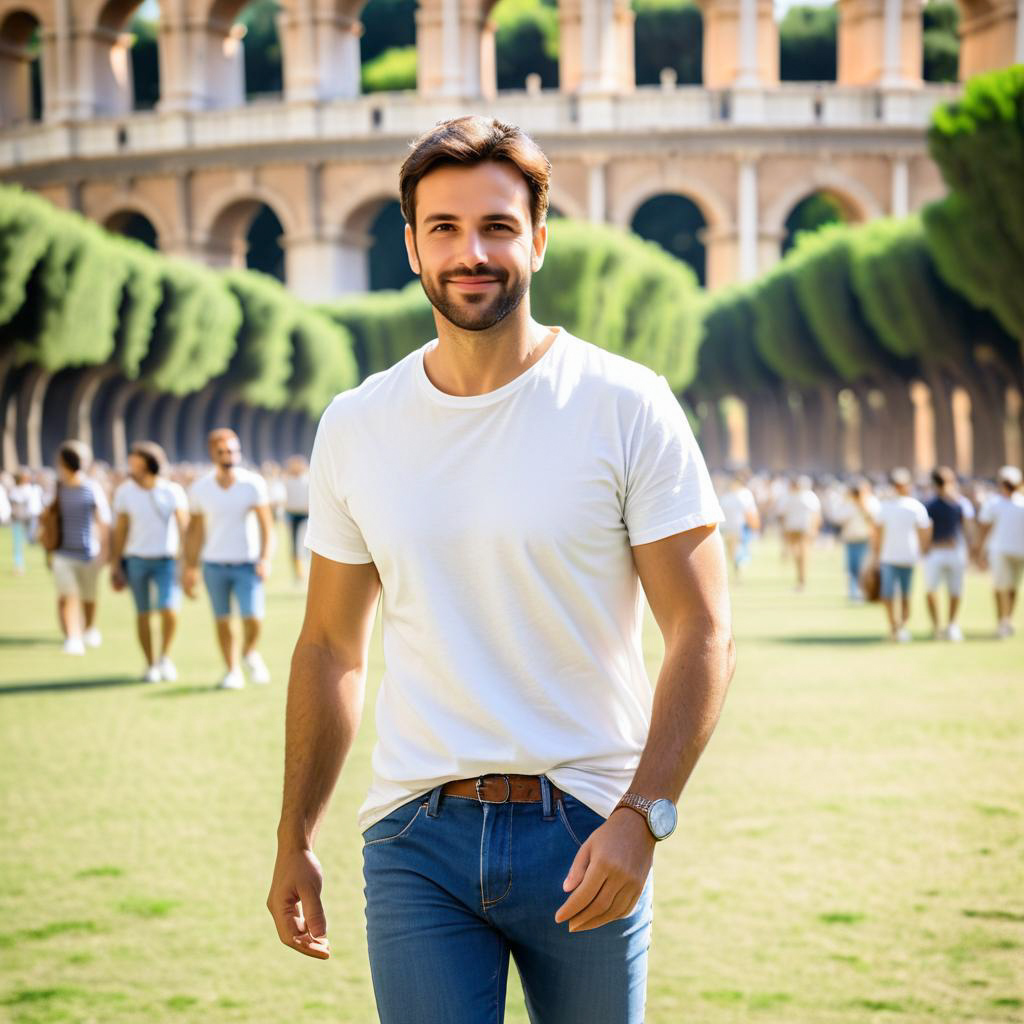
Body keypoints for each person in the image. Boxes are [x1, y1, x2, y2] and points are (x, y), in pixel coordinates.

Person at [266, 116, 734, 1024]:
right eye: (442, 228)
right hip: (414, 838)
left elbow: (703, 629)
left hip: (587, 825)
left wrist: (645, 816)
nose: (470, 251)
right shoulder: (356, 426)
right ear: (409, 245)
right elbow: (329, 647)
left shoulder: (626, 404)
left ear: (539, 240)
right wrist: (295, 836)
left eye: (497, 227)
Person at [184, 428, 274, 689]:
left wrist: (265, 558)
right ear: (212, 453)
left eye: (233, 451)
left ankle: (249, 652)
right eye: (223, 451)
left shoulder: (252, 484)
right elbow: (196, 531)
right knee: (222, 620)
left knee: (253, 617)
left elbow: (266, 527)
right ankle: (232, 670)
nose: (229, 456)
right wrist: (190, 566)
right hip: (214, 565)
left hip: (247, 563)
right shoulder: (200, 489)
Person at [109, 442, 189, 682]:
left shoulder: (172, 491)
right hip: (136, 560)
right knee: (142, 613)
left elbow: (183, 528)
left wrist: (188, 561)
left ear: (148, 463)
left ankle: (165, 657)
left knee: (169, 609)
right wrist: (115, 563)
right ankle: (150, 662)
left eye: (135, 460)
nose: (131, 465)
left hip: (166, 560)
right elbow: (120, 530)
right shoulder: (125, 492)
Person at [49, 441, 111, 655]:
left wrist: (105, 551)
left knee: (88, 596)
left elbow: (103, 520)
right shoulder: (57, 487)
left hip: (88, 552)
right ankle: (72, 637)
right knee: (66, 595)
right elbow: (48, 518)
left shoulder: (91, 487)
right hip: (63, 551)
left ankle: (89, 628)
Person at [873, 467, 931, 643]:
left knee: (906, 595)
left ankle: (902, 626)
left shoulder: (916, 507)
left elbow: (924, 532)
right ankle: (893, 626)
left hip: (908, 556)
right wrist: (876, 556)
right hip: (888, 557)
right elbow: (878, 533)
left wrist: (923, 553)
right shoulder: (885, 507)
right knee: (887, 595)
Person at [923, 466, 974, 642]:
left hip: (955, 552)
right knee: (931, 590)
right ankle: (937, 626)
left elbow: (967, 528)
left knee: (955, 590)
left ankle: (952, 625)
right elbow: (926, 530)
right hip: (936, 553)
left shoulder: (961, 503)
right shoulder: (929, 504)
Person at [975, 465, 1024, 639]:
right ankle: (1001, 620)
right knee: (1000, 587)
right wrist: (979, 552)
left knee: (1012, 588)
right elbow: (984, 529)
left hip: (1019, 551)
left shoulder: (1022, 502)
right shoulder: (993, 503)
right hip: (999, 551)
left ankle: (1007, 618)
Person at [835, 478, 880, 601]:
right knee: (851, 569)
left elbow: (875, 520)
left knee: (864, 569)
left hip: (866, 539)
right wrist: (848, 502)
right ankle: (853, 592)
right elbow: (838, 518)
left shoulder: (872, 502)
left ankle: (865, 591)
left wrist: (862, 506)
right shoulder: (848, 503)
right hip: (851, 539)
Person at [780, 475, 821, 591]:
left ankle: (802, 579)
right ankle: (800, 578)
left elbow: (816, 514)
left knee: (803, 554)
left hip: (805, 529)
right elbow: (783, 515)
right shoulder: (788, 497)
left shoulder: (809, 496)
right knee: (796, 554)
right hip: (792, 529)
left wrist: (814, 529)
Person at [719, 473, 760, 578]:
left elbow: (750, 511)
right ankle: (737, 567)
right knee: (731, 552)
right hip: (727, 526)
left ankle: (739, 569)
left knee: (738, 549)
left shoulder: (745, 494)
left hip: (741, 526)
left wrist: (753, 525)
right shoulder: (727, 496)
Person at [8, 468, 44, 574]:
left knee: (31, 539)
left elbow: (37, 505)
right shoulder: (15, 490)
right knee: (18, 543)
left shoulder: (34, 489)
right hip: (18, 520)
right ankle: (18, 566)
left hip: (31, 518)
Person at [282, 456, 310, 582]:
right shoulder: (287, 481)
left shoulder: (307, 480)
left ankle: (307, 570)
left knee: (305, 544)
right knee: (295, 546)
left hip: (305, 516)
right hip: (292, 515)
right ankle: (299, 573)